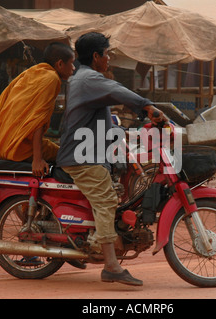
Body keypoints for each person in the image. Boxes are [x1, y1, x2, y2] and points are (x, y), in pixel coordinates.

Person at [56, 32, 165, 286]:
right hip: (81, 157)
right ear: (96, 57)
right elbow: (119, 92)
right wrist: (148, 107)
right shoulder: (89, 78)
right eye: (107, 54)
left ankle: (104, 239)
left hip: (87, 151)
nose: (110, 58)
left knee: (120, 182)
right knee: (105, 200)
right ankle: (111, 266)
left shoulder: (84, 77)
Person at [0, 42, 75, 176]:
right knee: (71, 157)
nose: (74, 68)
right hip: (20, 147)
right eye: (72, 63)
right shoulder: (52, 78)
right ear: (60, 64)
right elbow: (36, 121)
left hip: (4, 144)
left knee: (58, 149)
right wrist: (37, 160)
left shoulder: (32, 72)